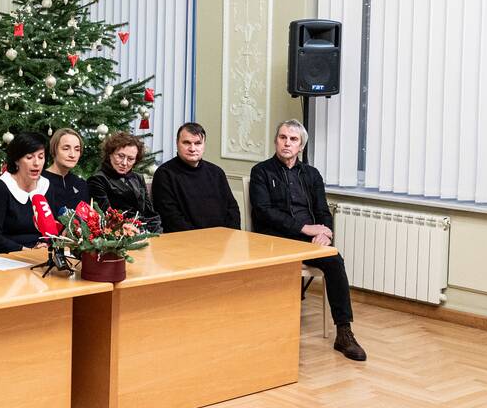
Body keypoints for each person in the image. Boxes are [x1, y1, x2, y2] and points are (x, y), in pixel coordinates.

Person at [250, 119, 366, 362]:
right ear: (275, 141)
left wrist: (325, 233)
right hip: (276, 240)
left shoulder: (312, 175)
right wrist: (306, 228)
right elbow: (263, 212)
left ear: (301, 145)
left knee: (334, 260)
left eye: (293, 139)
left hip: (311, 241)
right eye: (282, 137)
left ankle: (344, 332)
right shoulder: (261, 171)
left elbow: (323, 210)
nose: (287, 143)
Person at [151, 122, 241, 232]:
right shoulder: (165, 174)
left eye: (198, 143)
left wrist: (229, 234)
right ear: (177, 143)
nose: (192, 149)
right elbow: (171, 218)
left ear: (204, 145)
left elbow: (232, 209)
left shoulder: (216, 172)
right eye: (186, 143)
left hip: (222, 240)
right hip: (186, 242)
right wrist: (201, 240)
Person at [0, 132, 50, 253]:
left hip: (39, 254)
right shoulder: (2, 187)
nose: (37, 163)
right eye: (29, 157)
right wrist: (27, 251)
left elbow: (51, 229)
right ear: (16, 160)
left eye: (41, 157)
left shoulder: (46, 185)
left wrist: (44, 245)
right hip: (6, 256)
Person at [88, 131, 156, 221]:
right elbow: (108, 217)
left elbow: (150, 213)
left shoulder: (138, 178)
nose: (124, 163)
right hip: (120, 231)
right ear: (110, 154)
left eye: (130, 159)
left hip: (147, 231)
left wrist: (156, 231)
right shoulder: (97, 180)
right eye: (120, 156)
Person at [42, 128, 90, 216]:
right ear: (54, 149)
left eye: (77, 149)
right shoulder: (39, 181)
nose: (72, 154)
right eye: (66, 148)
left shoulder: (81, 184)